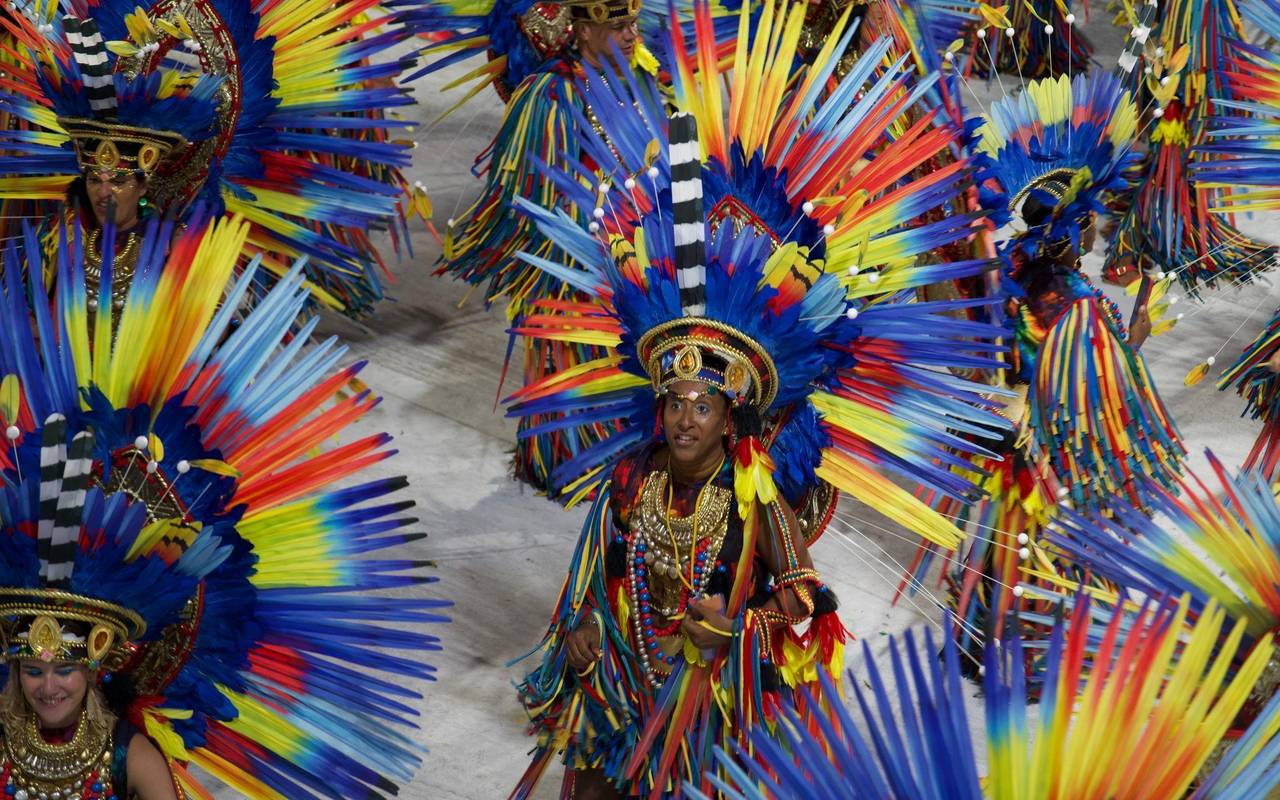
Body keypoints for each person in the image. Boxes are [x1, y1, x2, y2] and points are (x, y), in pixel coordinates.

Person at [505, 4, 1015, 794]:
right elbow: (597, 571)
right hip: (625, 690)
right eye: (673, 401)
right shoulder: (630, 484)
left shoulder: (754, 494)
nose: (682, 417)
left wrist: (736, 629)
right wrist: (580, 629)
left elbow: (805, 599)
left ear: (731, 417)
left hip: (710, 704)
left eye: (701, 407)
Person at [0, 213, 446, 797]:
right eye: (34, 669)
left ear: (95, 664)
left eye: (62, 668)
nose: (48, 686)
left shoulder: (130, 759)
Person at [922, 71, 1184, 675]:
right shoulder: (1071, 303)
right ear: (1067, 229)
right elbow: (1090, 400)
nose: (1094, 229)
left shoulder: (1014, 289)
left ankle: (988, 638)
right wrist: (1127, 339)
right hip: (1044, 465)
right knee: (1041, 555)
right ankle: (1033, 650)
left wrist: (1133, 332)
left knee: (1000, 552)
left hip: (1006, 454)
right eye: (1086, 218)